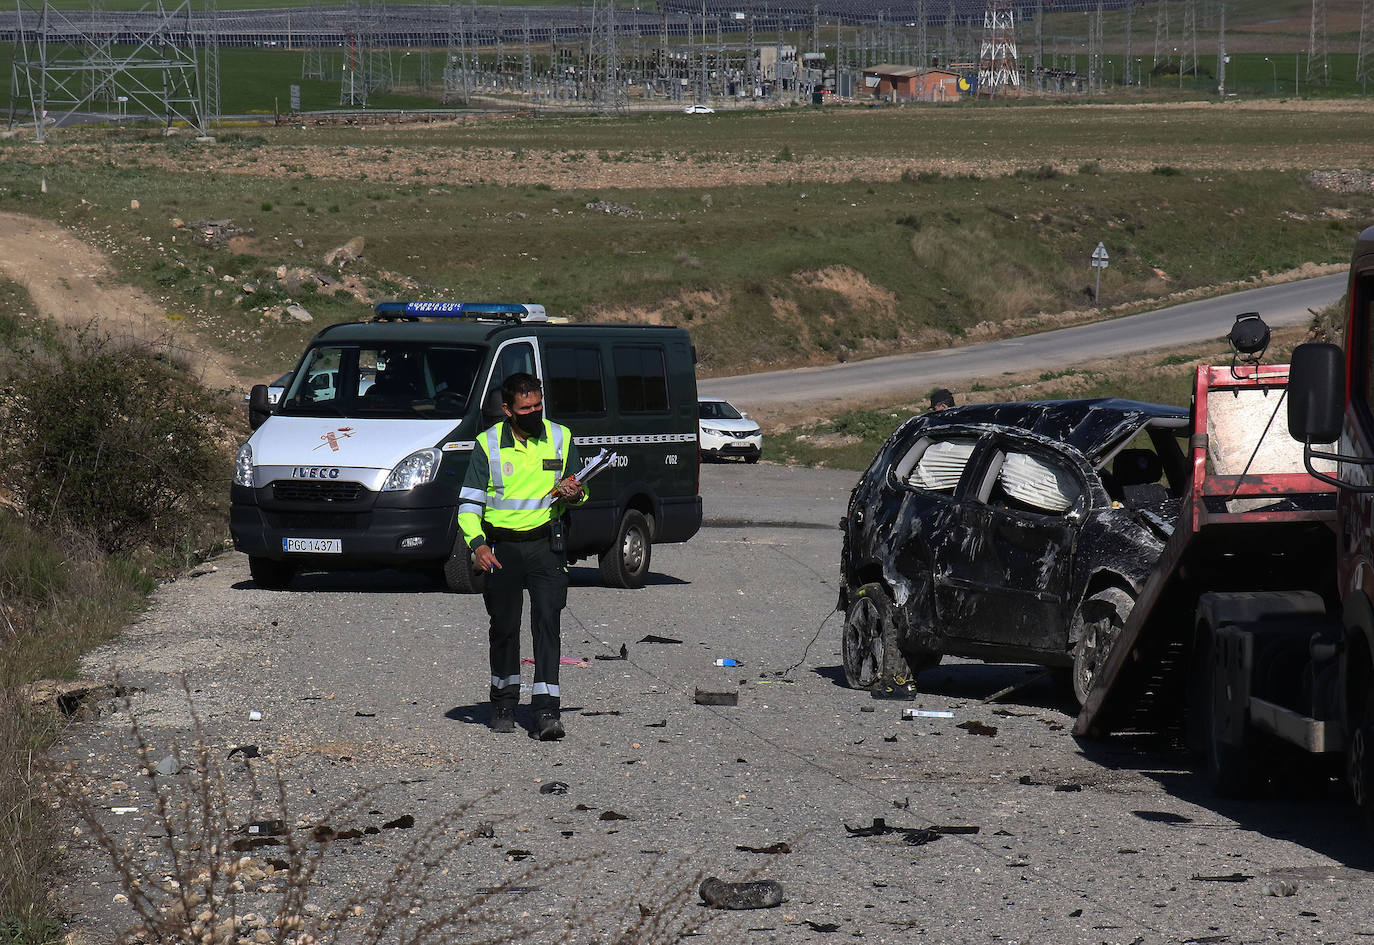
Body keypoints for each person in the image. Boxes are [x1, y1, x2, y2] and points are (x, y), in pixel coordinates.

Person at [458, 373, 585, 740]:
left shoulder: (560, 437)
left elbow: (583, 488)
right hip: (502, 548)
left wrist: (576, 493)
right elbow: (468, 503)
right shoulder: (487, 445)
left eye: (538, 406)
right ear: (508, 409)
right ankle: (503, 703)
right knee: (504, 627)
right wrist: (477, 544)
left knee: (547, 623)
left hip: (547, 545)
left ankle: (546, 710)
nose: (533, 413)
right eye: (525, 408)